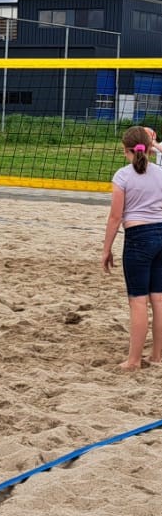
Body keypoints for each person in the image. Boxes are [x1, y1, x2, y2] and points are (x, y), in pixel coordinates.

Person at [101, 125, 162, 371]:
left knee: (138, 301)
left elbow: (115, 217)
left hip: (139, 237)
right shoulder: (160, 172)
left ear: (125, 150)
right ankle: (157, 355)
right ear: (148, 148)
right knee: (158, 299)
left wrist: (106, 249)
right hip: (161, 234)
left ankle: (134, 361)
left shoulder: (123, 176)